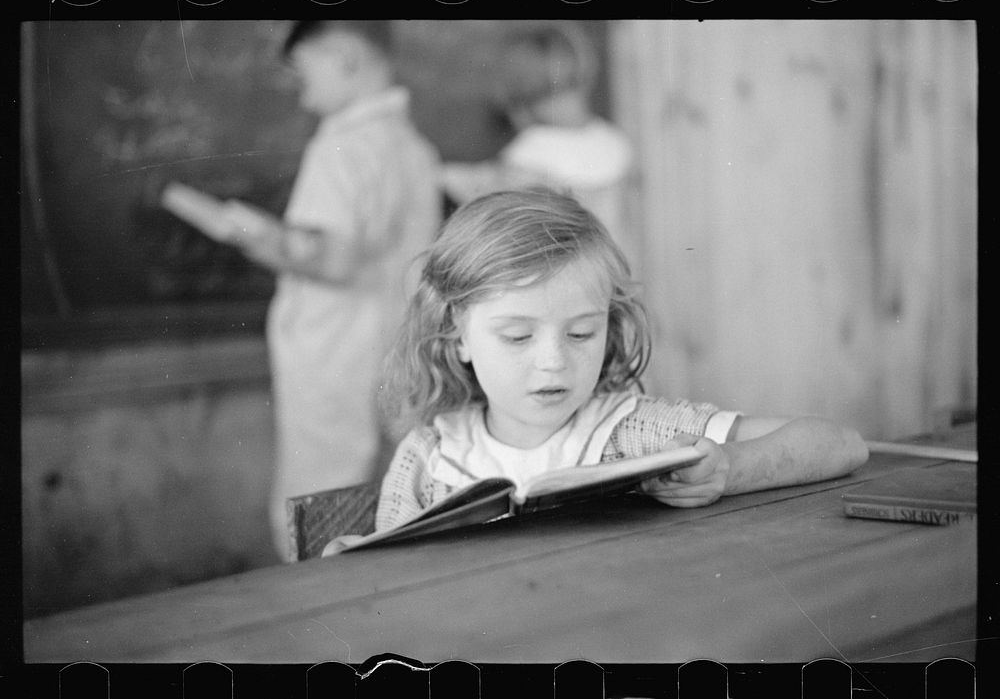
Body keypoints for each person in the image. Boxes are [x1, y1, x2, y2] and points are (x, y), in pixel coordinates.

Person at [370, 189, 868, 533]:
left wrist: (731, 469)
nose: (554, 361)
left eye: (581, 332)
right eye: (518, 336)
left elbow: (842, 444)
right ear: (458, 335)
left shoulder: (634, 433)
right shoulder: (428, 456)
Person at [204, 20, 441, 558]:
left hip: (333, 349)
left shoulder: (340, 145)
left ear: (346, 59)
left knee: (318, 502)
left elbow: (332, 258)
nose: (300, 91)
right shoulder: (414, 148)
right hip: (396, 345)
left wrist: (255, 238)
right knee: (390, 499)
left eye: (305, 71)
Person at [440, 22, 633, 246]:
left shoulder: (530, 153)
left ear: (522, 98)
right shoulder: (616, 144)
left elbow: (481, 190)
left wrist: (439, 172)